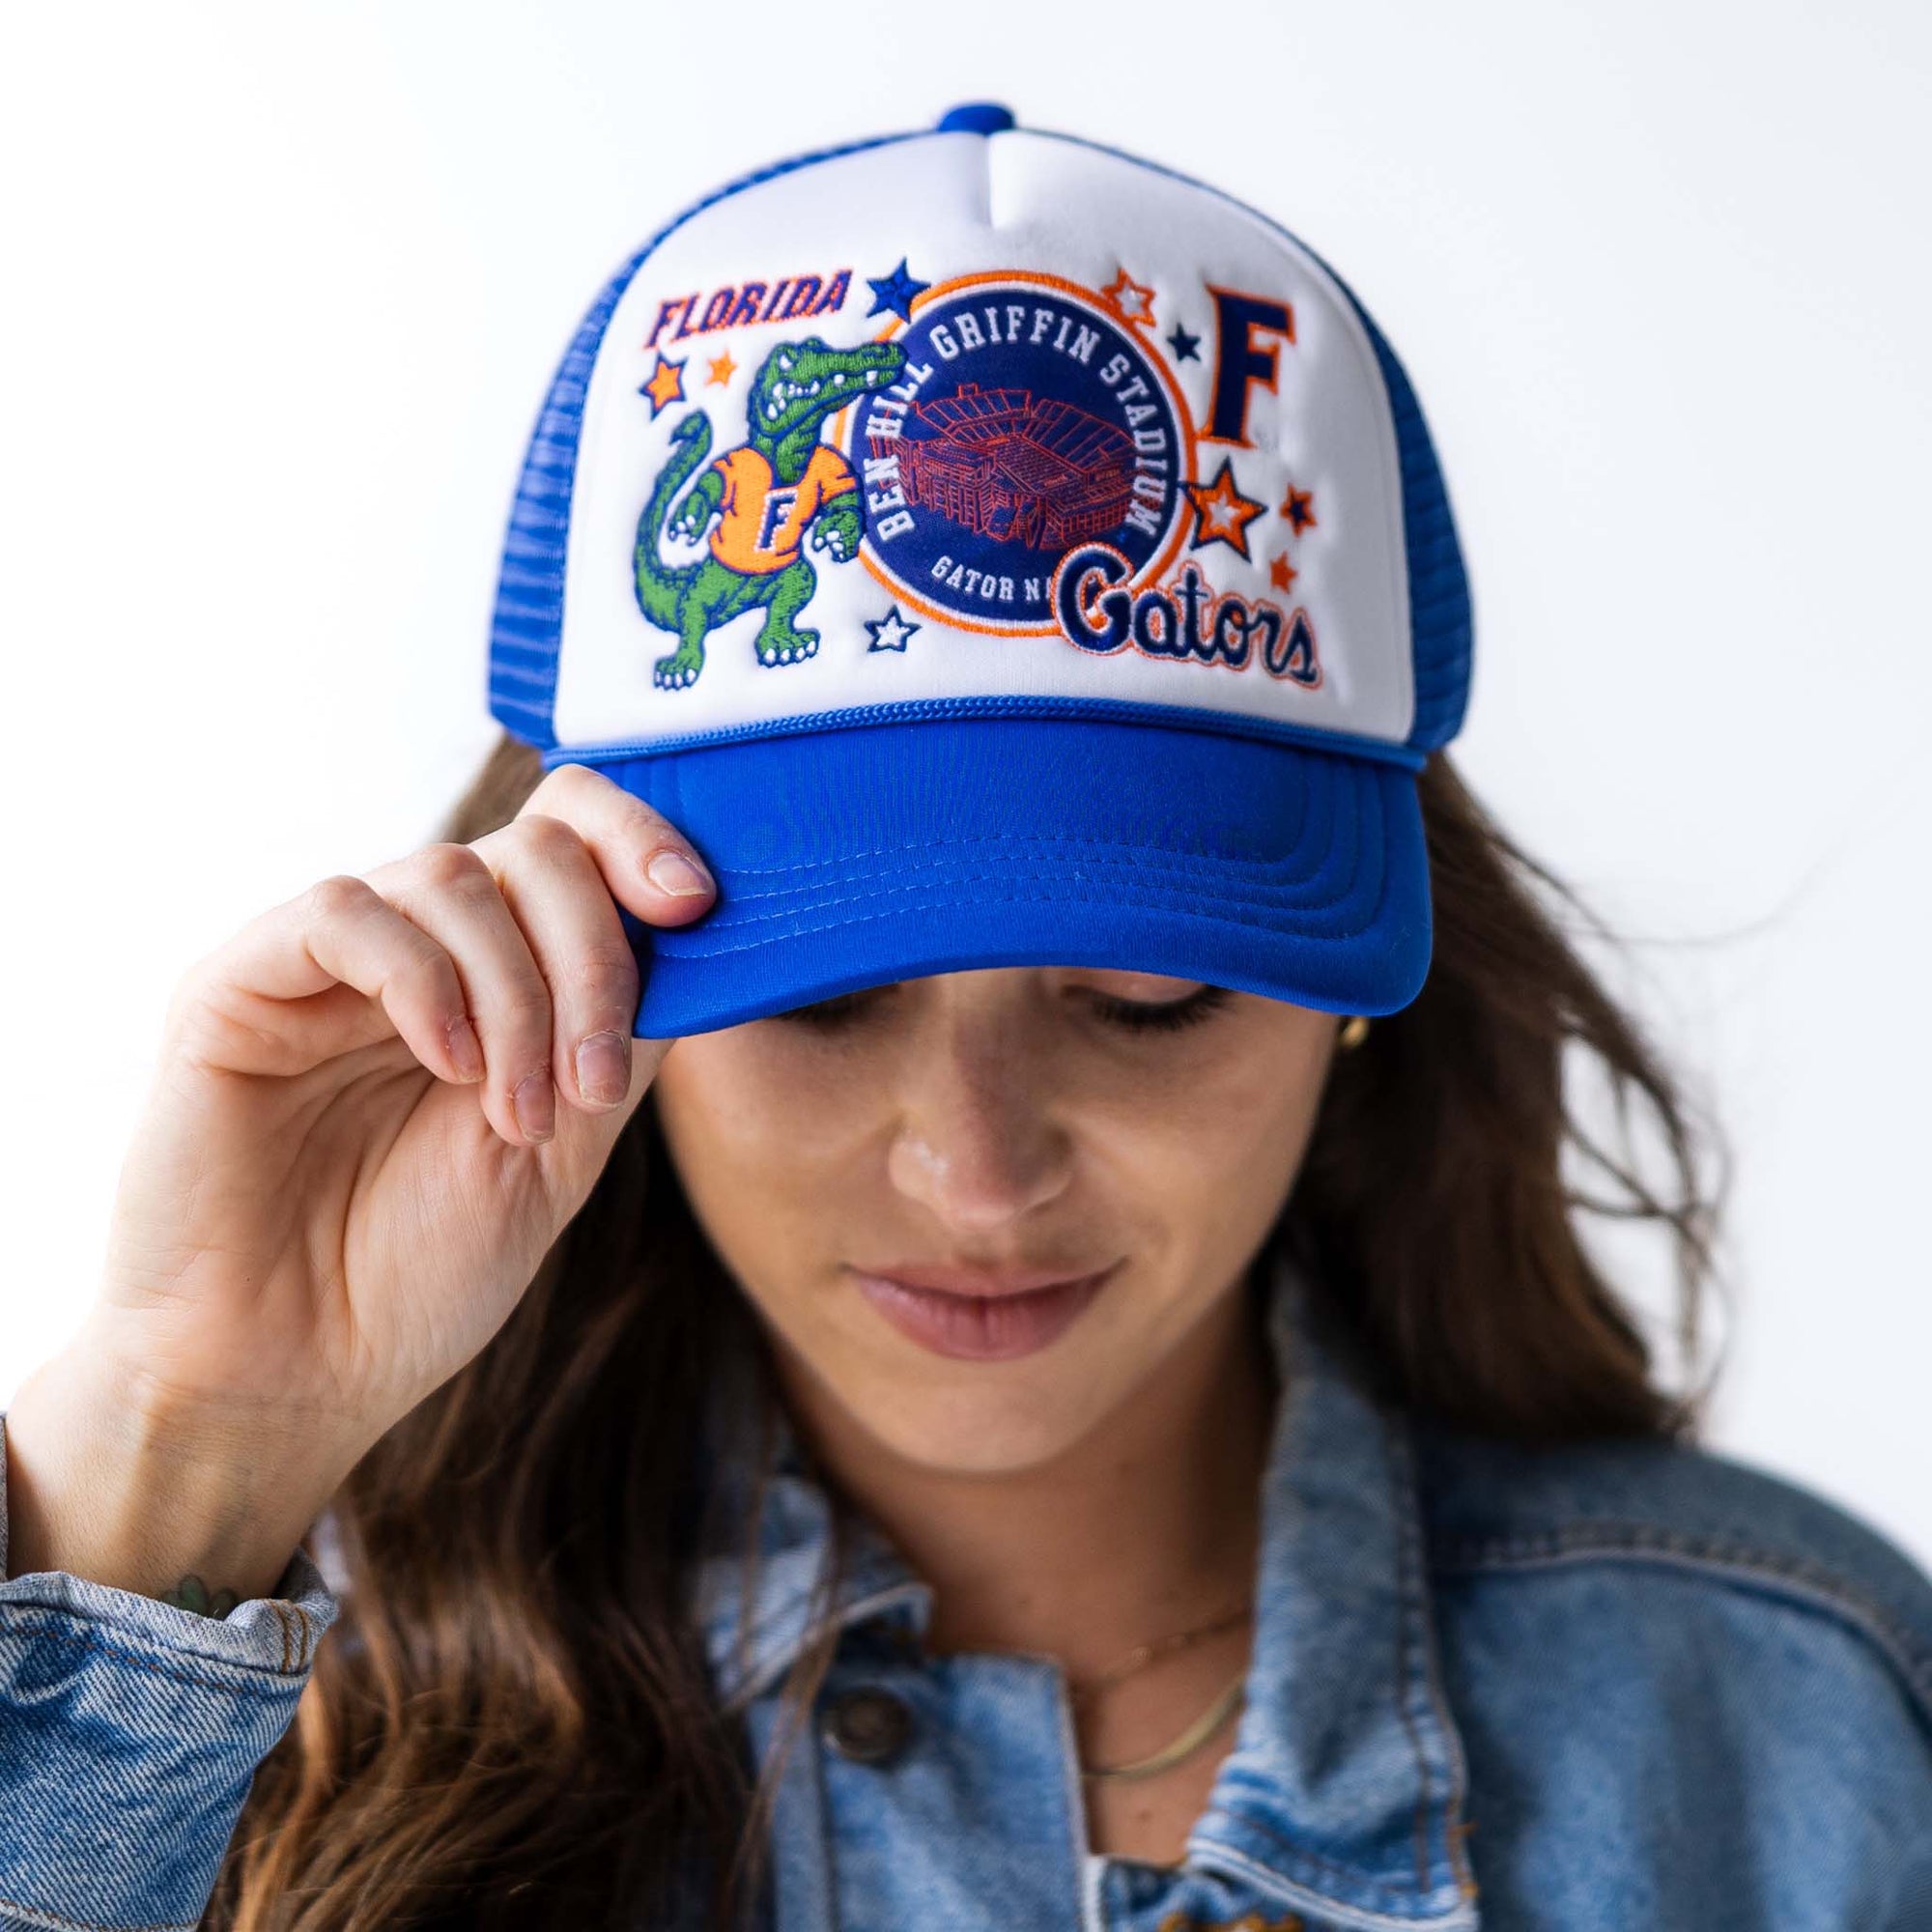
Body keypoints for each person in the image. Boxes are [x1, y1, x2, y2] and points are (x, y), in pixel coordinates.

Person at [3, 103, 1929, 1932]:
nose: (978, 1168)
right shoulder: (246, 1733)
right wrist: (184, 1431)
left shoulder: (1787, 1720)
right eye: (822, 993)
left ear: (1362, 1009)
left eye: (1149, 995)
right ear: (597, 963)